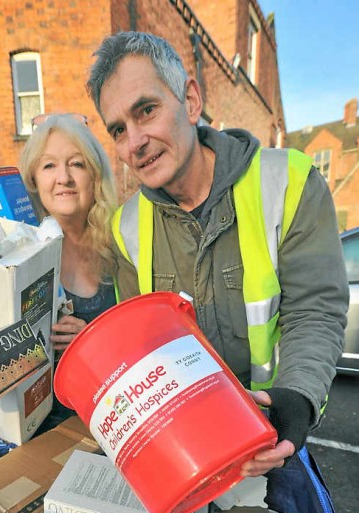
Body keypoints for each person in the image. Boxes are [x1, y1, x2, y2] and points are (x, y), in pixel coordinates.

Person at [86, 31, 349, 479]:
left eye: (146, 110)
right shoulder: (124, 228)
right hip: (189, 452)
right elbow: (144, 351)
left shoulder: (290, 181)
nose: (134, 143)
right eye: (118, 130)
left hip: (275, 433)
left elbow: (315, 310)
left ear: (190, 100)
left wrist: (297, 399)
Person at [0, 113, 118, 426]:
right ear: (33, 180)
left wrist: (92, 343)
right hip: (36, 432)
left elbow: (146, 340)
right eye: (49, 165)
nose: (64, 178)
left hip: (109, 419)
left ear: (95, 176)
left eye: (77, 163)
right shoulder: (13, 246)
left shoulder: (121, 247)